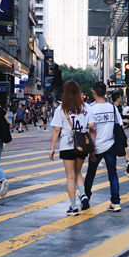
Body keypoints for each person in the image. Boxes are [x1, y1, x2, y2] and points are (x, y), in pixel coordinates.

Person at [49, 81, 95, 216]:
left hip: (67, 145)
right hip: (81, 144)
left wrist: (52, 148)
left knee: (70, 176)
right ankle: (84, 195)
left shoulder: (62, 108)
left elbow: (56, 129)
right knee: (78, 173)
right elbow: (92, 124)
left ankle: (73, 207)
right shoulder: (86, 107)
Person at [84, 82, 123, 212]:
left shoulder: (90, 109)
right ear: (106, 93)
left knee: (91, 174)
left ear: (94, 93)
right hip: (111, 145)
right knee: (113, 174)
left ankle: (86, 198)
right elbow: (120, 125)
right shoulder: (113, 108)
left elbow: (91, 131)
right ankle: (116, 202)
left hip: (96, 147)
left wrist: (91, 150)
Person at [112, 93, 129, 164]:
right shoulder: (113, 107)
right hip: (116, 128)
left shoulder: (119, 107)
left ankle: (127, 160)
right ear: (118, 99)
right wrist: (123, 121)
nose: (122, 99)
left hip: (118, 127)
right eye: (121, 97)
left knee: (124, 142)